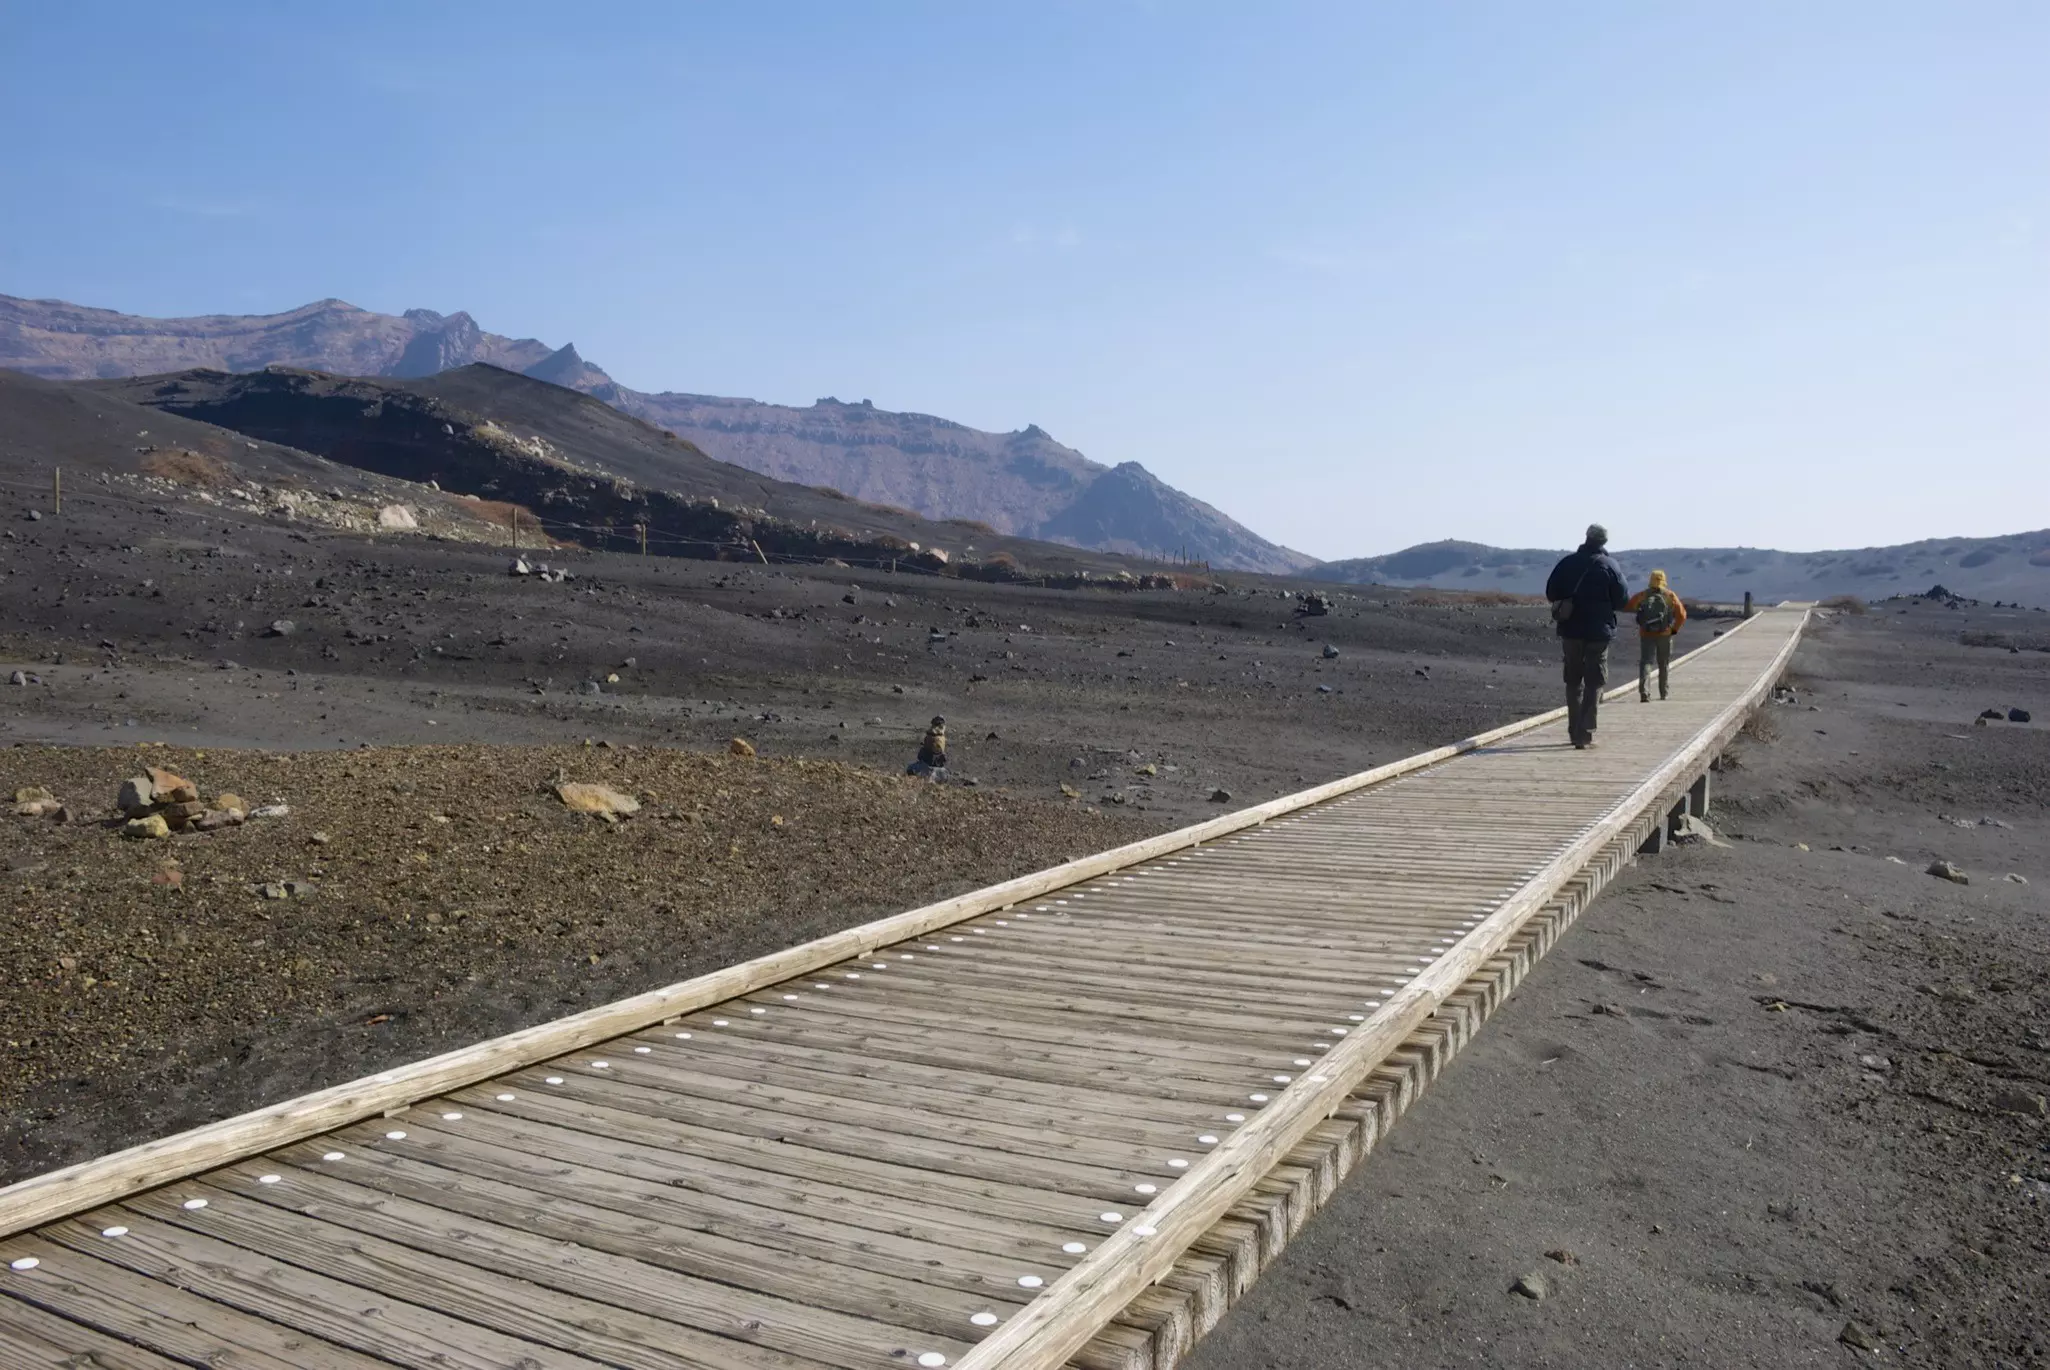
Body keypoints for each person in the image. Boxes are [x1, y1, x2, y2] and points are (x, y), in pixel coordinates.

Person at [1544, 523, 1630, 749]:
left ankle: (1574, 731)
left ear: (1586, 538)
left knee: (1573, 680)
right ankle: (1586, 731)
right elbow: (1622, 600)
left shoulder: (1567, 563)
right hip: (1598, 632)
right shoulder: (1610, 566)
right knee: (1595, 681)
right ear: (1604, 542)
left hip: (1571, 630)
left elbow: (1551, 592)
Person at [1625, 569, 1688, 702]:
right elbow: (1682, 615)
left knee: (1646, 662)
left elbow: (1630, 606)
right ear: (1664, 581)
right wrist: (1674, 630)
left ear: (1650, 580)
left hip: (1646, 633)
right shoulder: (1670, 596)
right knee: (1663, 663)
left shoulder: (1642, 595)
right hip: (1665, 633)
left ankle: (1644, 693)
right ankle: (1663, 693)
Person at [907, 715, 948, 779]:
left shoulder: (929, 737)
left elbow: (921, 756)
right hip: (937, 769)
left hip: (925, 767)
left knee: (910, 768)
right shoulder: (941, 738)